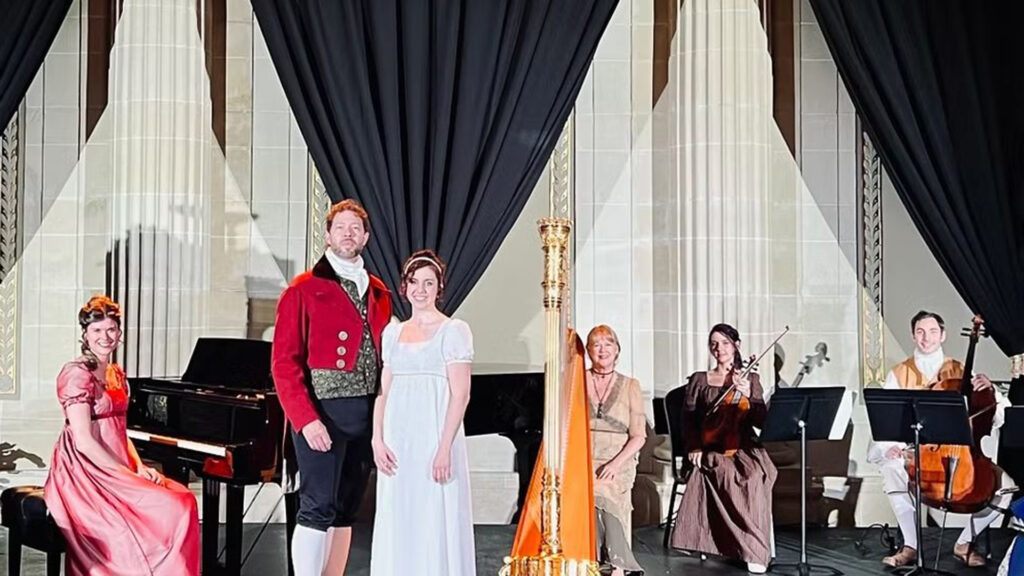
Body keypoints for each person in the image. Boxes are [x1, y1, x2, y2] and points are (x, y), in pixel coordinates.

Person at [272, 199, 393, 576]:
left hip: (365, 414)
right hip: (320, 415)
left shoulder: (378, 292)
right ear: (327, 235)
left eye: (355, 228)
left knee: (346, 508)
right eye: (341, 227)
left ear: (366, 237)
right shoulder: (303, 289)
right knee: (317, 506)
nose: (348, 233)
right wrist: (306, 420)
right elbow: (283, 364)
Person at [44, 296, 200, 575]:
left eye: (111, 329)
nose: (105, 337)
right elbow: (83, 440)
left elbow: (119, 430)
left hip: (120, 460)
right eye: (97, 331)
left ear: (120, 333)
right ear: (85, 335)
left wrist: (140, 466)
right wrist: (126, 475)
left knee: (183, 499)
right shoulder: (76, 374)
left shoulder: (116, 373)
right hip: (86, 469)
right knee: (170, 507)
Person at [868, 310, 1015, 568]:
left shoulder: (960, 369)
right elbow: (887, 418)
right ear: (914, 336)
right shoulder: (899, 373)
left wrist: (989, 389)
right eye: (921, 332)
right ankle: (910, 546)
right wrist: (893, 447)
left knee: (1005, 488)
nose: (927, 338)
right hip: (919, 454)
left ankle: (964, 542)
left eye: (933, 332)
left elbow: (997, 412)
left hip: (963, 455)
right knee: (891, 469)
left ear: (943, 335)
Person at [371, 249, 476, 576]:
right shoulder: (392, 333)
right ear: (404, 286)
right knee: (399, 511)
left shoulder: (454, 330)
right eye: (414, 281)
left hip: (434, 437)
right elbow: (382, 390)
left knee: (433, 512)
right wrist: (376, 438)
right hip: (397, 439)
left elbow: (461, 394)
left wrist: (444, 448)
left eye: (428, 283)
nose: (420, 289)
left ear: (438, 287)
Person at [670, 323, 776, 574]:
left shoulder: (750, 378)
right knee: (726, 473)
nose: (719, 349)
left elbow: (760, 421)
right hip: (710, 446)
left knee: (755, 475)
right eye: (714, 343)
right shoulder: (699, 379)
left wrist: (749, 395)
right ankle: (742, 546)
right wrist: (694, 447)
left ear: (737, 346)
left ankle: (753, 546)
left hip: (743, 445)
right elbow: (688, 419)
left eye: (725, 343)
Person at [586, 325, 646, 576]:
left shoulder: (631, 385)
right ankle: (593, 557)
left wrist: (614, 464)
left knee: (604, 488)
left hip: (618, 459)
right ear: (588, 351)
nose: (602, 349)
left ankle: (617, 561)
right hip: (584, 457)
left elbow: (638, 436)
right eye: (596, 344)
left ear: (617, 350)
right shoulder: (576, 381)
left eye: (608, 344)